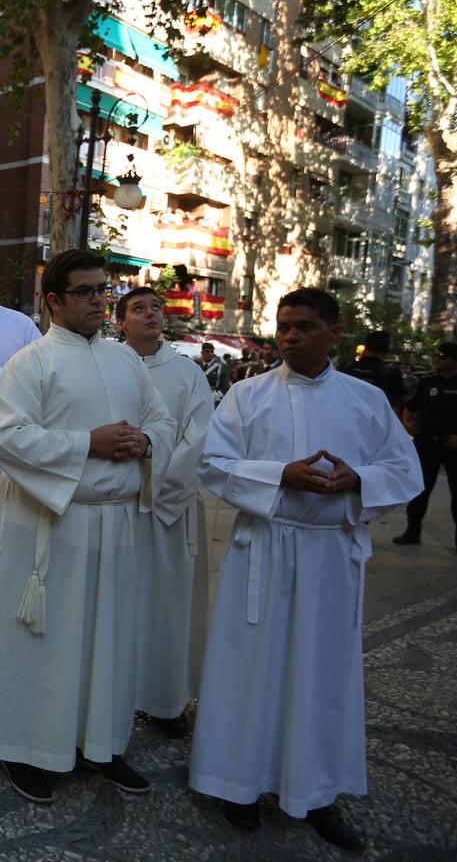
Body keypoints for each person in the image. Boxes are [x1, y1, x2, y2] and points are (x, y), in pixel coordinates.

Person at [190, 288, 422, 851]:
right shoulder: (247, 395)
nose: (290, 336)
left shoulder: (366, 400)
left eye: (305, 327)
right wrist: (277, 476)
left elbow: (404, 468)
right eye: (284, 326)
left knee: (321, 674)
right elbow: (212, 463)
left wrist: (359, 480)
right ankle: (236, 784)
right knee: (250, 668)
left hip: (329, 553)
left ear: (333, 332)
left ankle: (315, 791)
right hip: (264, 548)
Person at [0, 249, 174, 802]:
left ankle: (102, 744)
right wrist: (90, 442)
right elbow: (9, 438)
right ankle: (25, 749)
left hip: (113, 527)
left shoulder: (126, 360)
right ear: (54, 301)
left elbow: (160, 418)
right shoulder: (31, 362)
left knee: (105, 643)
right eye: (85, 292)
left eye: (103, 290)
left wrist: (146, 441)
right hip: (48, 525)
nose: (98, 301)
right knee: (42, 644)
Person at [116, 287, 213, 738]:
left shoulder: (187, 373)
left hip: (169, 509)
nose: (151, 314)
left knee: (168, 606)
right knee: (119, 604)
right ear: (121, 322)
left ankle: (166, 700)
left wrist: (161, 491)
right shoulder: (109, 367)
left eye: (156, 307)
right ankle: (115, 691)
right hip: (119, 505)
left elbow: (200, 437)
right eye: (139, 308)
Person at [393, 341, 457, 557]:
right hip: (427, 444)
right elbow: (409, 409)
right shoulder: (427, 382)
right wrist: (408, 424)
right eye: (437, 355)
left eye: (442, 356)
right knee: (420, 489)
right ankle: (412, 531)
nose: (437, 359)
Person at [341, 330, 406, 412]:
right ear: (387, 349)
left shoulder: (348, 368)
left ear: (366, 346)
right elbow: (399, 402)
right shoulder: (392, 373)